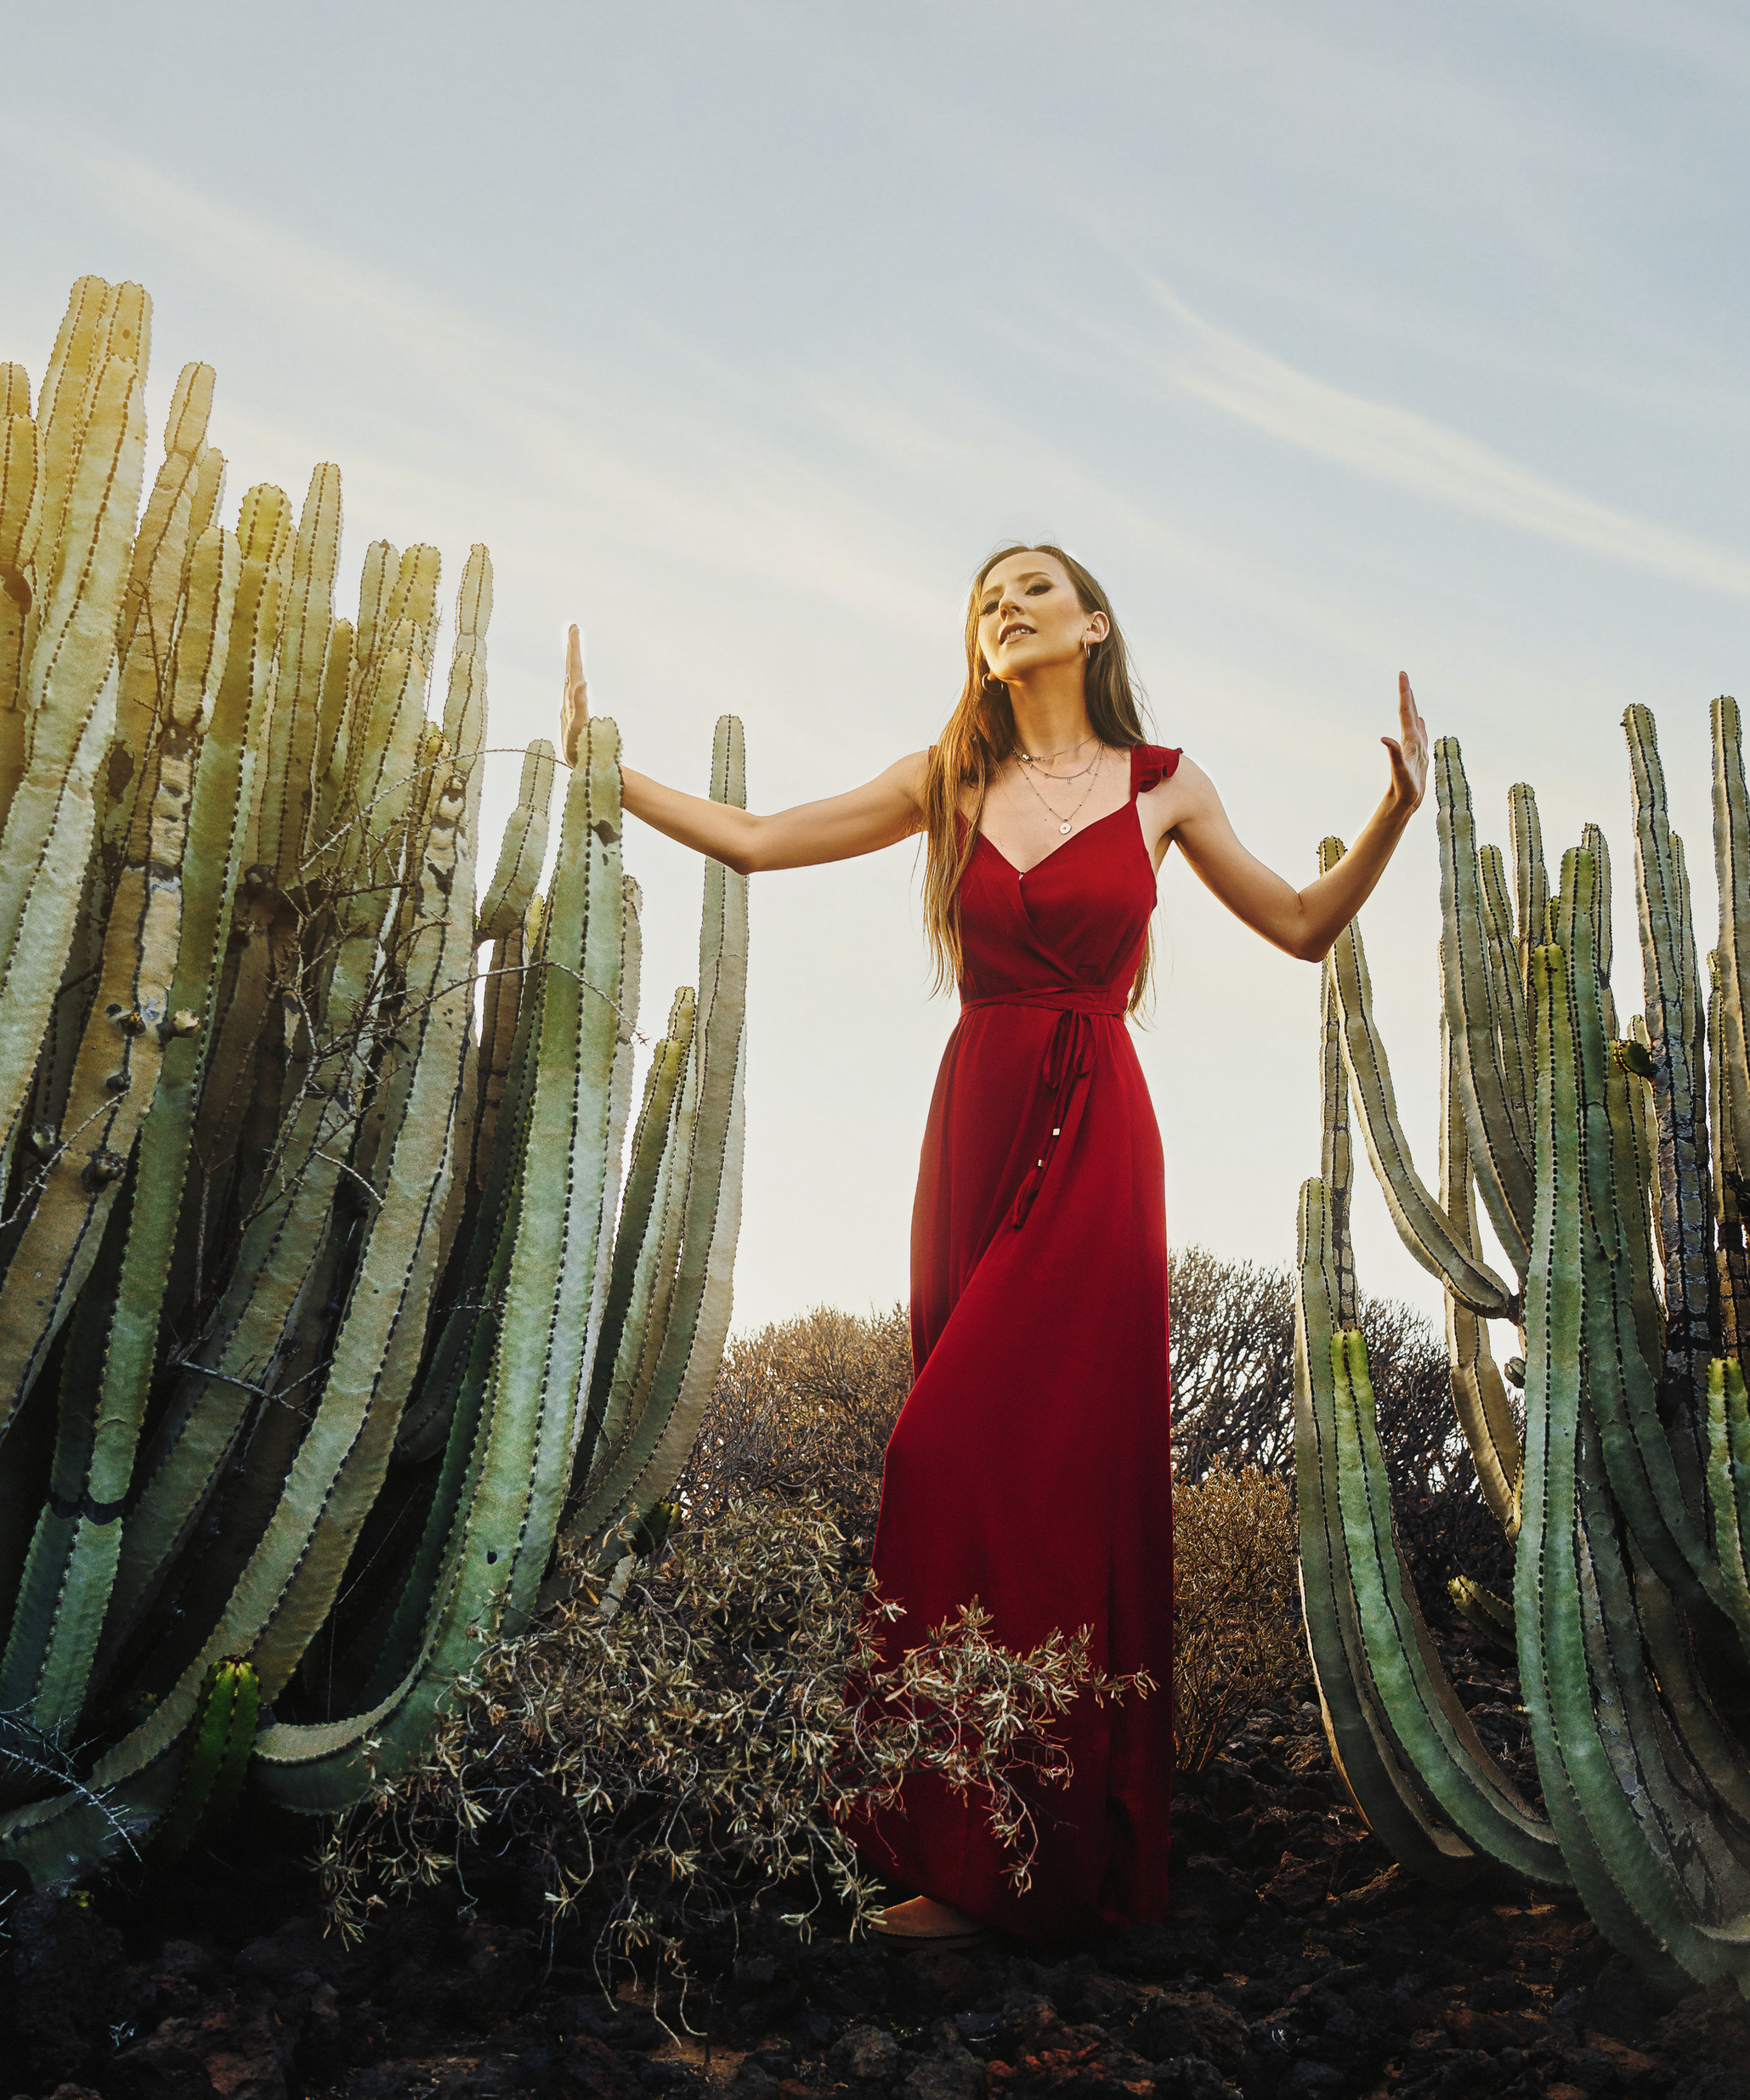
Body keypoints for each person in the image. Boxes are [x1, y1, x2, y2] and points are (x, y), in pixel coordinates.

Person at [560, 543, 1425, 1947]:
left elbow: (1305, 928)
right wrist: (607, 772)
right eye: (985, 597)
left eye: (1034, 586)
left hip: (1096, 1140)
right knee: (977, 1469)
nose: (1004, 605)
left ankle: (1022, 1851)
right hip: (973, 1124)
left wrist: (1392, 810)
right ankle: (975, 1844)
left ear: (1093, 624)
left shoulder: (1165, 787)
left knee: (973, 1453)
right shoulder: (947, 779)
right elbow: (763, 837)